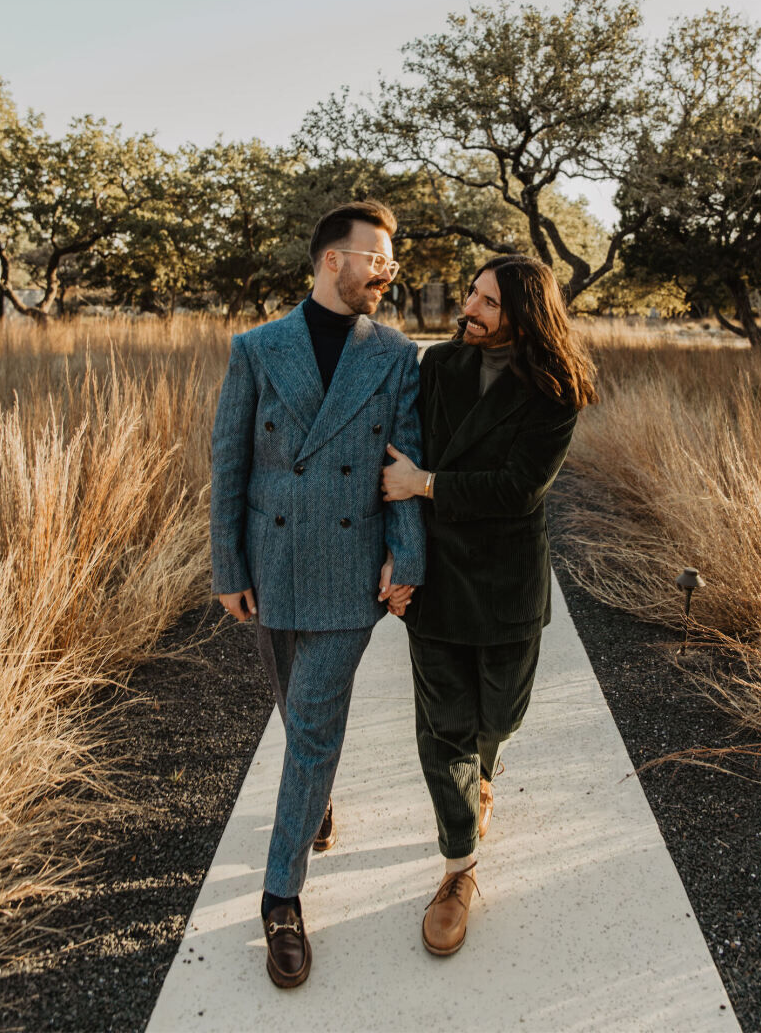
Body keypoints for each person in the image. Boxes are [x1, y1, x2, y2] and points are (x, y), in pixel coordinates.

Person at [211, 200, 424, 988]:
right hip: (269, 567)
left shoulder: (397, 354)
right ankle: (314, 804)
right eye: (377, 257)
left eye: (390, 260)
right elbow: (229, 463)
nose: (387, 271)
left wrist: (407, 560)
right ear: (334, 260)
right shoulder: (258, 348)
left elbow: (405, 465)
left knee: (310, 727)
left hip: (345, 567)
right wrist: (227, 567)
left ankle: (280, 899)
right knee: (291, 704)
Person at [381, 254, 597, 957]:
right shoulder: (436, 369)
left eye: (486, 303)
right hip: (438, 580)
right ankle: (457, 868)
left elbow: (517, 490)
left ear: (525, 316)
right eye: (471, 294)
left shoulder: (559, 390)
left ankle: (484, 775)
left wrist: (426, 485)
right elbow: (398, 463)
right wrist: (398, 556)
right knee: (444, 729)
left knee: (497, 716)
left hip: (507, 582)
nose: (467, 309)